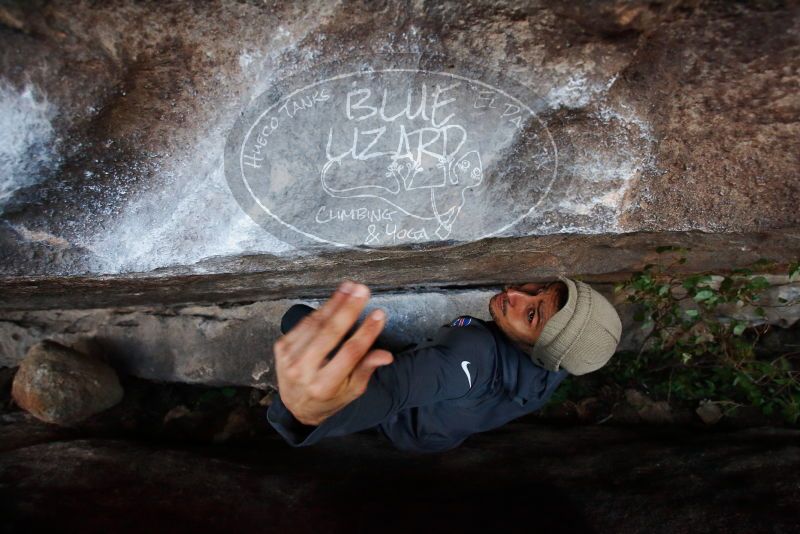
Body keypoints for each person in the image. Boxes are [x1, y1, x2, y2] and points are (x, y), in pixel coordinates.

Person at [267, 276, 622, 453]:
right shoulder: (556, 368)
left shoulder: (472, 353)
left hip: (402, 422)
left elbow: (394, 390)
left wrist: (307, 415)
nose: (514, 293)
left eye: (531, 314)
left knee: (297, 319)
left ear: (541, 349)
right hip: (440, 435)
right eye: (539, 288)